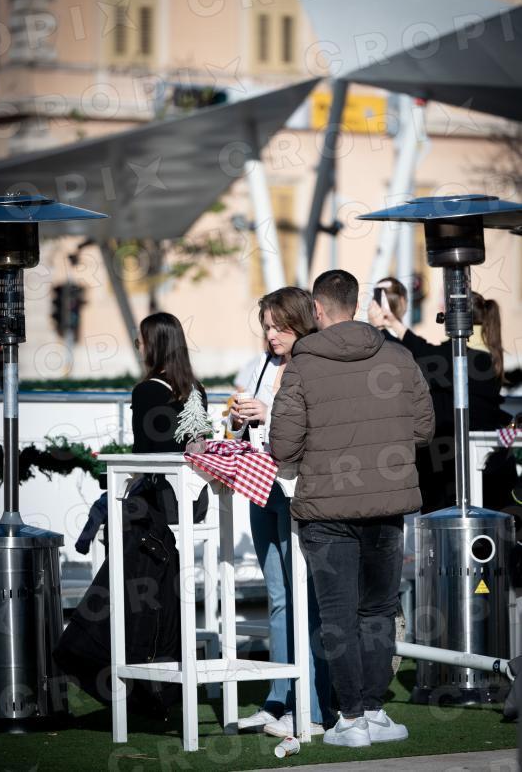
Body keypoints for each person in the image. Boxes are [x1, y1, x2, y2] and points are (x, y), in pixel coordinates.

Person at [270, 269, 435, 748]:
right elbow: (423, 428)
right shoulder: (399, 356)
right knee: (378, 611)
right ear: (357, 304)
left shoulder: (302, 364)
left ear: (317, 309)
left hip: (326, 511)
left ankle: (351, 719)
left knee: (338, 616)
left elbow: (283, 445)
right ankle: (374, 711)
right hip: (386, 505)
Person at [230, 287, 333, 737]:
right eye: (267, 327)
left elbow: (315, 428)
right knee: (277, 596)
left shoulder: (316, 365)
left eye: (279, 326)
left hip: (301, 491)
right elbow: (239, 428)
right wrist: (237, 420)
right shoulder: (260, 366)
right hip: (262, 487)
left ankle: (312, 706)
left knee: (304, 598)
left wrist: (268, 412)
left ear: (300, 322)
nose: (272, 335)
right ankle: (278, 700)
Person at [368, 283, 515, 513]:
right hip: (475, 467)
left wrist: (381, 328)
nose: (441, 317)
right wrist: (392, 323)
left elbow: (421, 356)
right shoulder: (483, 354)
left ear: (457, 320)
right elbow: (425, 352)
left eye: (444, 313)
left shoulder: (466, 358)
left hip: (453, 470)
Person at [75, 311, 208, 553]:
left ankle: (113, 574)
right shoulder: (196, 388)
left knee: (108, 508)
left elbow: (142, 454)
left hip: (163, 502)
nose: (139, 348)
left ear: (154, 347)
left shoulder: (146, 391)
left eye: (140, 342)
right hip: (197, 502)